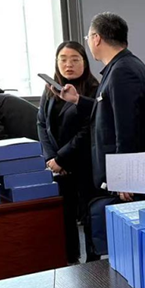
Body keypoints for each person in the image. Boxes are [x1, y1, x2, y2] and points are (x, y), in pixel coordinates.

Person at [54, 12, 145, 257]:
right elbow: (108, 109)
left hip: (135, 176)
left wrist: (124, 176)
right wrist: (78, 100)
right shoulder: (122, 67)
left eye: (88, 38)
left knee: (135, 247)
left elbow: (126, 126)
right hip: (135, 171)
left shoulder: (122, 71)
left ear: (96, 38)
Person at [37, 41, 99, 264]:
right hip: (58, 166)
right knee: (64, 217)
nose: (68, 65)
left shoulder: (93, 89)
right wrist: (50, 158)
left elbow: (89, 130)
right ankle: (71, 261)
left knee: (89, 216)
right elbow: (41, 123)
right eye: (63, 59)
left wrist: (62, 157)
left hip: (84, 164)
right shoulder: (51, 88)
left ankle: (94, 264)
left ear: (85, 62)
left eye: (74, 59)